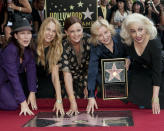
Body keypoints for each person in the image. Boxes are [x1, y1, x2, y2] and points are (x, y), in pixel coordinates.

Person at [120, 13, 164, 114]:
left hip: (159, 71)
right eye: (133, 31)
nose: (137, 35)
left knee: (156, 99)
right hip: (142, 70)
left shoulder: (154, 43)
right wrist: (129, 58)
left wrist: (155, 97)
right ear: (128, 32)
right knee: (133, 90)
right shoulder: (129, 42)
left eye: (140, 29)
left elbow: (157, 71)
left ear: (146, 28)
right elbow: (130, 54)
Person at [86, 19, 130, 114]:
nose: (105, 37)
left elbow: (130, 52)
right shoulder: (95, 47)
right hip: (104, 77)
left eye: (106, 32)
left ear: (110, 30)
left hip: (124, 73)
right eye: (100, 35)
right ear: (96, 37)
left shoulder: (119, 37)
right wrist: (91, 95)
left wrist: (128, 58)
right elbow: (92, 70)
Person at [0, 17, 37, 115]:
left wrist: (32, 92)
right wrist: (23, 103)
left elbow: (31, 70)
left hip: (9, 82)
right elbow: (13, 76)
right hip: (2, 81)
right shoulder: (10, 50)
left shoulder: (29, 49)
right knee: (13, 105)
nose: (26, 37)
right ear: (16, 36)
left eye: (29, 33)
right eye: (22, 33)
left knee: (19, 99)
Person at [58, 16, 91, 115]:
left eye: (78, 30)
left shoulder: (89, 40)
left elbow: (92, 66)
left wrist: (88, 85)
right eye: (72, 31)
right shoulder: (62, 46)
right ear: (66, 32)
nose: (76, 34)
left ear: (82, 29)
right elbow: (66, 75)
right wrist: (72, 101)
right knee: (68, 103)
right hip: (68, 81)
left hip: (88, 78)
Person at [36, 17, 64, 115]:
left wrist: (59, 100)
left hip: (46, 78)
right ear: (43, 29)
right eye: (48, 29)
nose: (50, 34)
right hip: (31, 78)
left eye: (54, 31)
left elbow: (55, 76)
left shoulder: (56, 47)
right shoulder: (32, 42)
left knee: (47, 95)